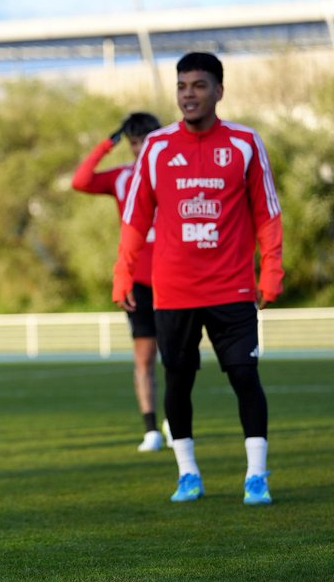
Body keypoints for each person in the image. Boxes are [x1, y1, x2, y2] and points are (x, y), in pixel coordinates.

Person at [113, 52, 283, 506]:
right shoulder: (157, 146)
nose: (189, 95)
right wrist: (123, 273)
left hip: (232, 287)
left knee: (244, 375)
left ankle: (256, 476)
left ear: (219, 91)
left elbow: (267, 213)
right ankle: (188, 473)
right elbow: (135, 218)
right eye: (182, 86)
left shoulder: (245, 142)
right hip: (174, 291)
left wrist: (271, 270)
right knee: (178, 381)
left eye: (199, 85)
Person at [72, 111, 167, 452]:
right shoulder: (123, 177)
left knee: (176, 356)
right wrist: (108, 142)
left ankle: (176, 420)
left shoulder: (174, 171)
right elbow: (80, 180)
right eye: (134, 143)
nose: (139, 149)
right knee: (144, 357)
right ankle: (150, 429)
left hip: (173, 276)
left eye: (145, 142)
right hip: (139, 279)